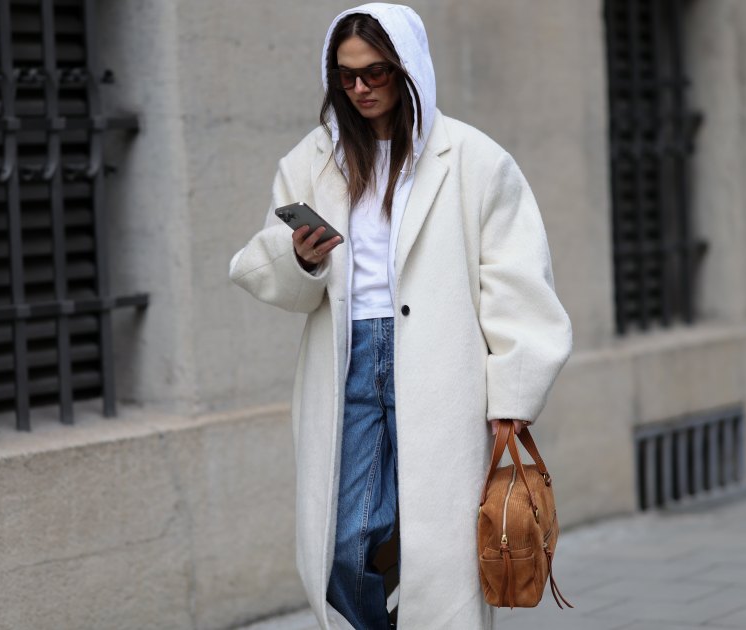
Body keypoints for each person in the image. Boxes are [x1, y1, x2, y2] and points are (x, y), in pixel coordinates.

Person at [229, 4, 571, 628]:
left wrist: (512, 396)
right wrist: (299, 259)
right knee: (344, 545)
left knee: (435, 547)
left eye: (376, 73)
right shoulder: (313, 159)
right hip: (350, 362)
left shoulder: (474, 159)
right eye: (346, 76)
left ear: (408, 69)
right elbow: (270, 272)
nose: (359, 88)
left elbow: (514, 279)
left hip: (443, 366)